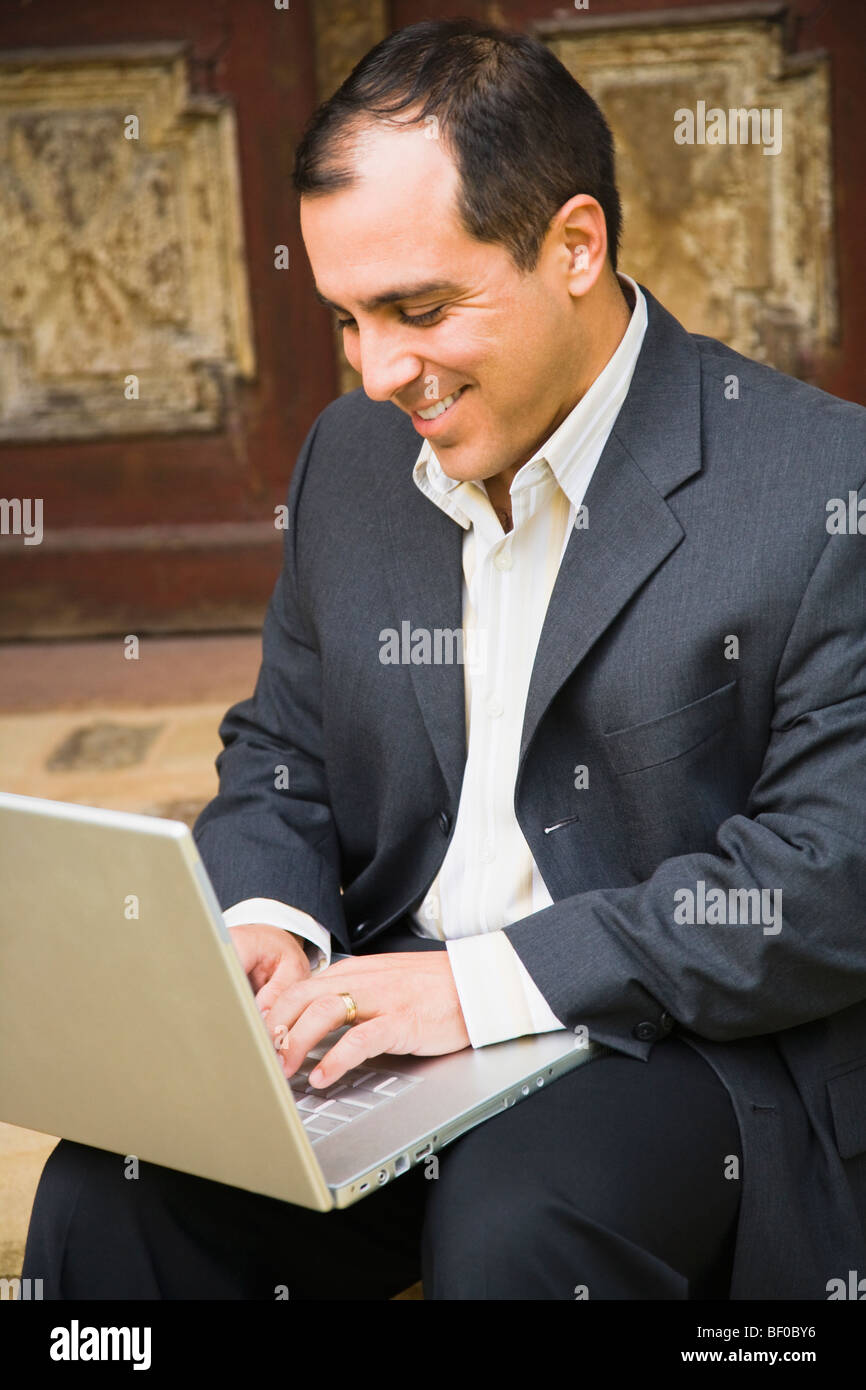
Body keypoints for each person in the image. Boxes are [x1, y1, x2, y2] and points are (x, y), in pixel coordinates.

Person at [24, 17, 866, 1300]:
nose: (375, 373)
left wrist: (482, 987)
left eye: (417, 310)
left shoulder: (816, 487)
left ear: (573, 245)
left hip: (670, 1043)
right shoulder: (348, 463)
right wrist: (267, 919)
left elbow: (821, 882)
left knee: (516, 1219)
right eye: (349, 318)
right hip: (386, 1013)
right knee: (106, 1190)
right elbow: (283, 749)